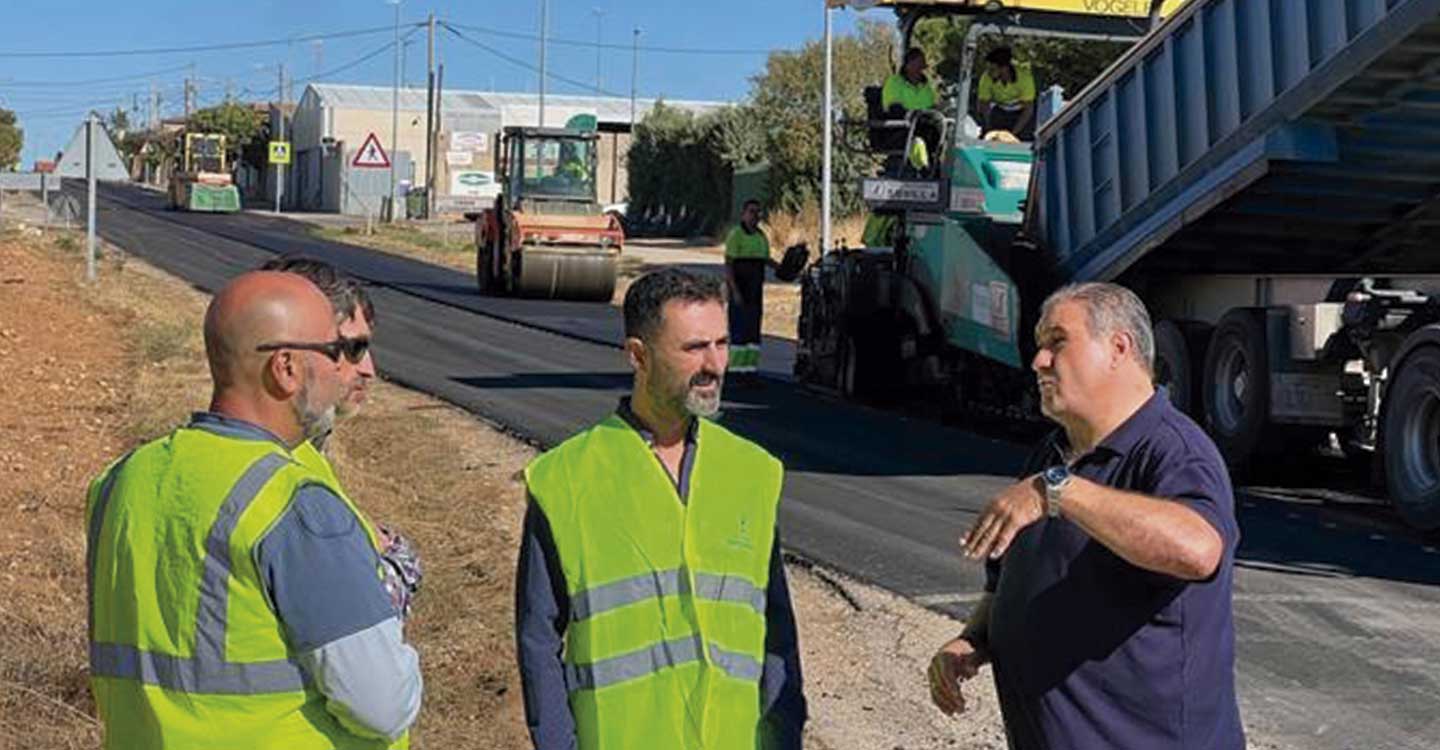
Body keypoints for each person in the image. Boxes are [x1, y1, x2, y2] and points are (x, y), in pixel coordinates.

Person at [86, 271, 423, 749]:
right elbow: (382, 704)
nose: (346, 370)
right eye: (335, 353)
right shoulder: (294, 504)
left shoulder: (121, 480)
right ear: (285, 367)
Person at [927, 282, 1243, 750]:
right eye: (1039, 347)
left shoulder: (1172, 450)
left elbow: (1198, 550)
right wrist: (972, 641)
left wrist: (1059, 492)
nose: (1039, 361)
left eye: (1057, 343)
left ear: (1118, 348)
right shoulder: (1051, 455)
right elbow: (1009, 586)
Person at [515, 267, 806, 750]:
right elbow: (538, 643)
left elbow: (778, 634)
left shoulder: (752, 472)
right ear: (638, 356)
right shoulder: (566, 479)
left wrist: (785, 737)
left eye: (722, 343)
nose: (715, 364)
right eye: (694, 348)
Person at [258, 255, 422, 619]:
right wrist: (396, 560)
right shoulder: (292, 483)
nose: (369, 370)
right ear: (289, 357)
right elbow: (361, 609)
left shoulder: (302, 458)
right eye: (350, 349)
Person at [724, 200, 780, 379]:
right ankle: (736, 372)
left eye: (758, 213)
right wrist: (734, 291)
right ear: (744, 214)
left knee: (753, 332)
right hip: (740, 290)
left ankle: (750, 370)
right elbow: (729, 265)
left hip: (755, 291)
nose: (755, 216)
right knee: (739, 331)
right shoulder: (736, 235)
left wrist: (783, 268)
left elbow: (765, 260)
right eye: (751, 212)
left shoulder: (761, 237)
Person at [882, 48, 942, 172]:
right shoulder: (895, 82)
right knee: (922, 135)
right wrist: (915, 114)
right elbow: (894, 109)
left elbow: (933, 107)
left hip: (924, 127)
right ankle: (922, 167)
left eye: (922, 67)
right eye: (917, 66)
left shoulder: (926, 86)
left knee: (942, 130)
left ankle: (935, 167)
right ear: (908, 65)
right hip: (901, 128)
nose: (920, 71)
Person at [976, 46, 1037, 141]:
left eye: (992, 69)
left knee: (1026, 140)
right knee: (985, 137)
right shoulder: (986, 78)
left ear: (1004, 68)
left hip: (1021, 113)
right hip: (1000, 111)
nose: (989, 72)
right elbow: (983, 106)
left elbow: (1028, 110)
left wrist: (1012, 135)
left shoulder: (1025, 78)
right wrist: (989, 129)